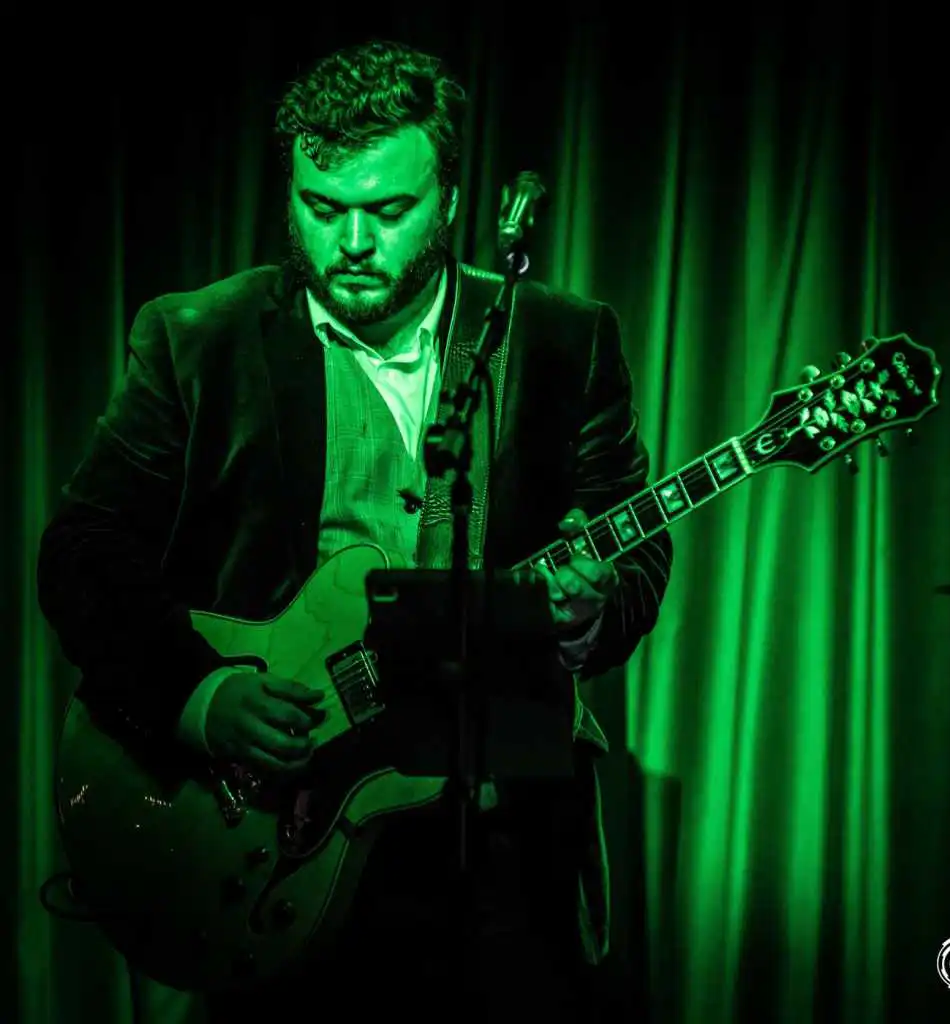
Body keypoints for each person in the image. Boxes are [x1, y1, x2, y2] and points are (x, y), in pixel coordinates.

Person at [37, 40, 672, 1021]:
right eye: (322, 208)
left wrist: (591, 613)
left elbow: (636, 553)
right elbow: (82, 552)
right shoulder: (197, 338)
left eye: (389, 209)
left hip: (500, 837)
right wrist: (201, 694)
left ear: (449, 198)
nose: (353, 243)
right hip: (279, 824)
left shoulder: (562, 339)